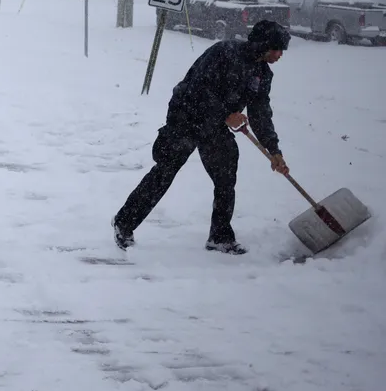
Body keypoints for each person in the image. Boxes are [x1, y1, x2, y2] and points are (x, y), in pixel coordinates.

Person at [112, 20, 292, 255]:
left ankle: (220, 236)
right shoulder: (224, 53)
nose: (279, 55)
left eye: (282, 50)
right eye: (276, 49)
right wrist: (227, 114)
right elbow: (198, 88)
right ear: (263, 44)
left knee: (226, 176)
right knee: (165, 171)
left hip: (214, 125)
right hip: (186, 115)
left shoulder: (262, 74)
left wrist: (273, 150)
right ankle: (123, 223)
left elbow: (260, 113)